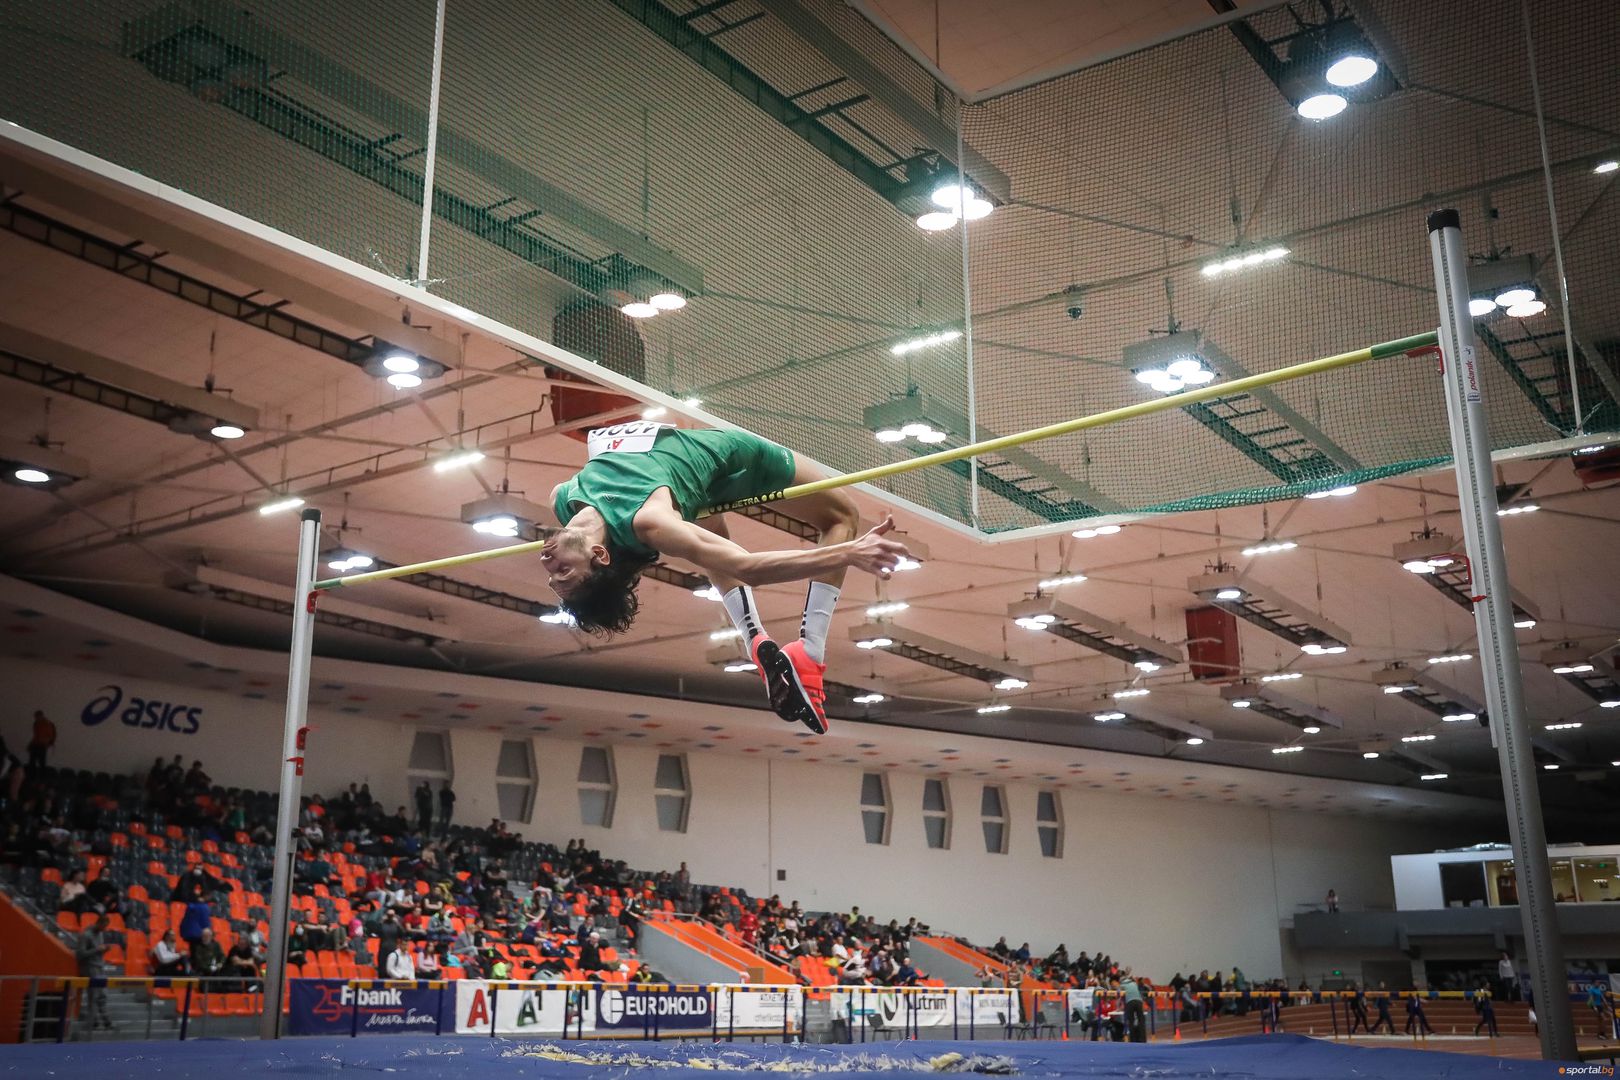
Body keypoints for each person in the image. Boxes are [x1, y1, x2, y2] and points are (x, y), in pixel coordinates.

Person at [544, 422, 908, 734]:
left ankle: (754, 639)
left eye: (553, 576)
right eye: (564, 571)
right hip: (734, 461)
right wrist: (850, 553)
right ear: (599, 555)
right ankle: (810, 652)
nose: (547, 562)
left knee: (702, 527)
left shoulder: (562, 499)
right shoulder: (650, 521)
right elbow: (747, 567)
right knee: (843, 515)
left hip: (693, 490)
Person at [75, 912, 113, 1029]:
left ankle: (105, 1021)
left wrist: (104, 950)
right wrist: (97, 949)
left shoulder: (100, 934)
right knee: (94, 996)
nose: (104, 929)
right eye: (103, 926)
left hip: (99, 966)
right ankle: (92, 1022)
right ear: (99, 923)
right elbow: (80, 955)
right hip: (90, 968)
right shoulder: (86, 935)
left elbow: (98, 951)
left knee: (102, 995)